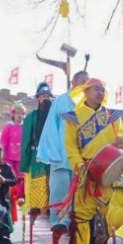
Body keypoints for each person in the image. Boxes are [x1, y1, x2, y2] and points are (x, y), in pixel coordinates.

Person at [64, 77, 123, 244]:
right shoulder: (74, 117)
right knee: (82, 214)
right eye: (96, 89)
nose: (100, 92)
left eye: (102, 89)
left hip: (111, 169)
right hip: (86, 171)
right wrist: (79, 165)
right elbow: (70, 146)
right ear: (85, 92)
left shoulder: (112, 115)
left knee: (114, 210)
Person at [36, 71, 88, 234]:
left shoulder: (88, 103)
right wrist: (53, 152)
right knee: (60, 189)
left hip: (82, 156)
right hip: (62, 154)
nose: (84, 85)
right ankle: (59, 222)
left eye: (87, 82)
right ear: (73, 82)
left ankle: (77, 224)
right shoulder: (61, 101)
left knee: (81, 193)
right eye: (81, 81)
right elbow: (51, 127)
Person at [20, 82, 53, 222]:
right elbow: (25, 142)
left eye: (48, 96)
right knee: (37, 184)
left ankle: (52, 210)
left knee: (52, 184)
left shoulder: (56, 117)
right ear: (37, 98)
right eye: (42, 96)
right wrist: (24, 165)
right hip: (36, 157)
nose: (45, 98)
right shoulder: (31, 117)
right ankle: (35, 210)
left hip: (53, 157)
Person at [0, 102, 26, 215]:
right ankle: (8, 195)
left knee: (21, 177)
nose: (19, 116)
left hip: (21, 157)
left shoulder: (25, 127)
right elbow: (3, 140)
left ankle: (20, 196)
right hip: (9, 156)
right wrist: (1, 151)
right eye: (17, 113)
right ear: (13, 114)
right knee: (9, 176)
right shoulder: (8, 127)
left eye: (22, 113)